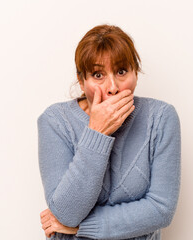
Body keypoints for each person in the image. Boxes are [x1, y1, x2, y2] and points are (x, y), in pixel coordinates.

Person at [37, 24, 181, 240]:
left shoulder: (160, 118)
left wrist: (79, 228)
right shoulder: (55, 121)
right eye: (98, 75)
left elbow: (161, 210)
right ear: (81, 80)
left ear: (135, 73)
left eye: (122, 71)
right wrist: (97, 131)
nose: (112, 87)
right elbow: (66, 213)